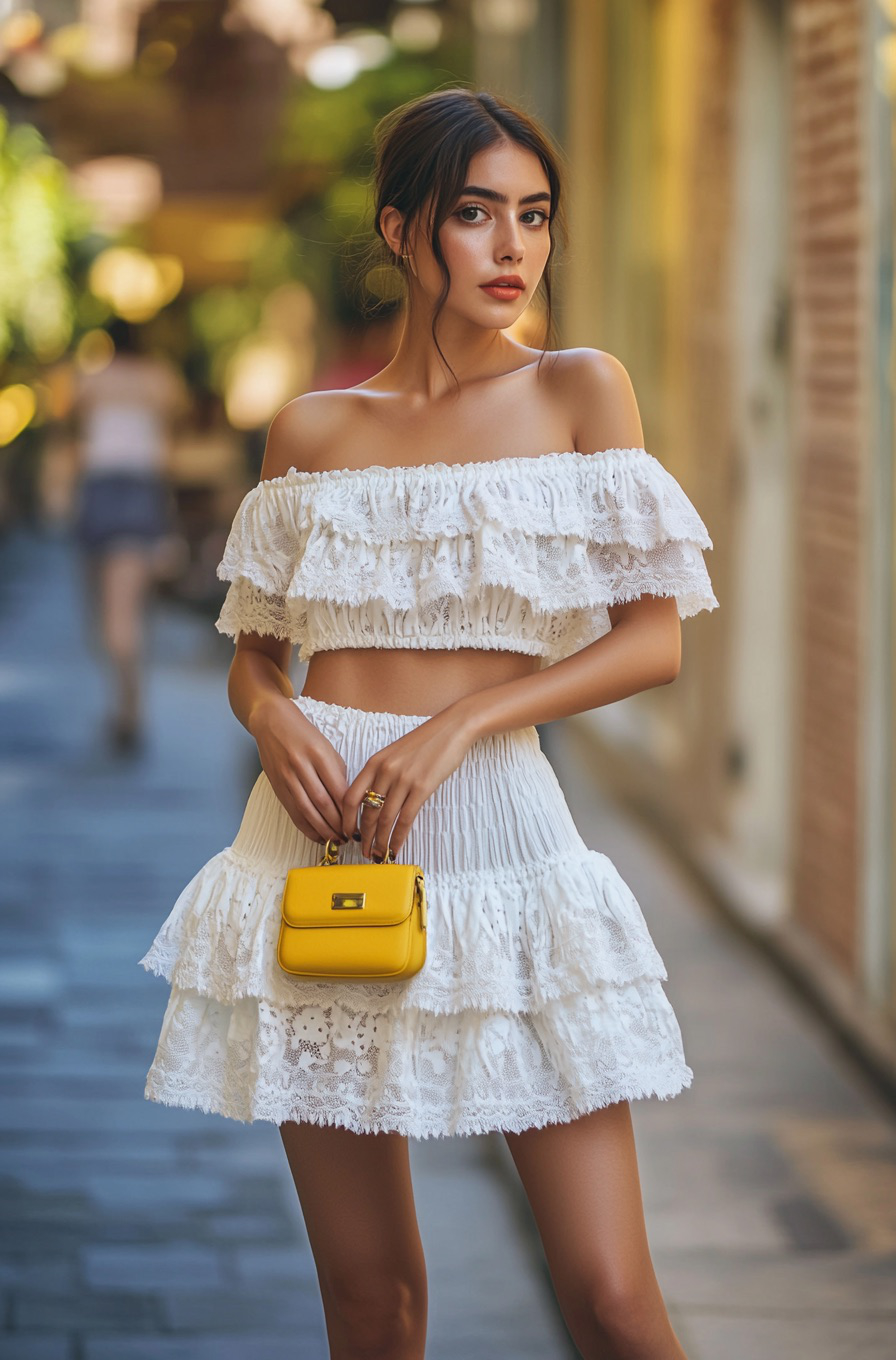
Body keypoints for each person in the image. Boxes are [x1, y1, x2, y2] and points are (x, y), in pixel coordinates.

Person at [139, 87, 719, 1359]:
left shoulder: (580, 392)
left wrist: (462, 724)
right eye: (475, 216)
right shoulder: (312, 430)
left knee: (613, 1300)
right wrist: (268, 714)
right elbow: (253, 656)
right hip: (320, 845)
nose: (511, 249)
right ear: (403, 232)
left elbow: (651, 638)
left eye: (534, 216)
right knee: (369, 1297)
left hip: (502, 831)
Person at [71, 318, 188, 752]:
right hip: (142, 491)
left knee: (106, 611)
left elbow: (70, 425)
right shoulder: (161, 380)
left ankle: (127, 709)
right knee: (129, 609)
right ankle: (129, 704)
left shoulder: (91, 380)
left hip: (100, 491)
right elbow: (177, 428)